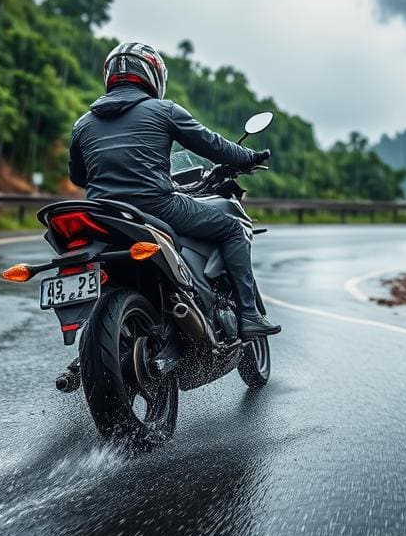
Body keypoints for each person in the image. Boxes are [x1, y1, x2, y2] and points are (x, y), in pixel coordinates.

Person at [68, 42, 281, 339]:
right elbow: (212, 145)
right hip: (156, 206)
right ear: (152, 74)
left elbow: (78, 176)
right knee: (232, 229)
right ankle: (248, 316)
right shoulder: (163, 110)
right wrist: (247, 158)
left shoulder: (83, 124)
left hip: (102, 213)